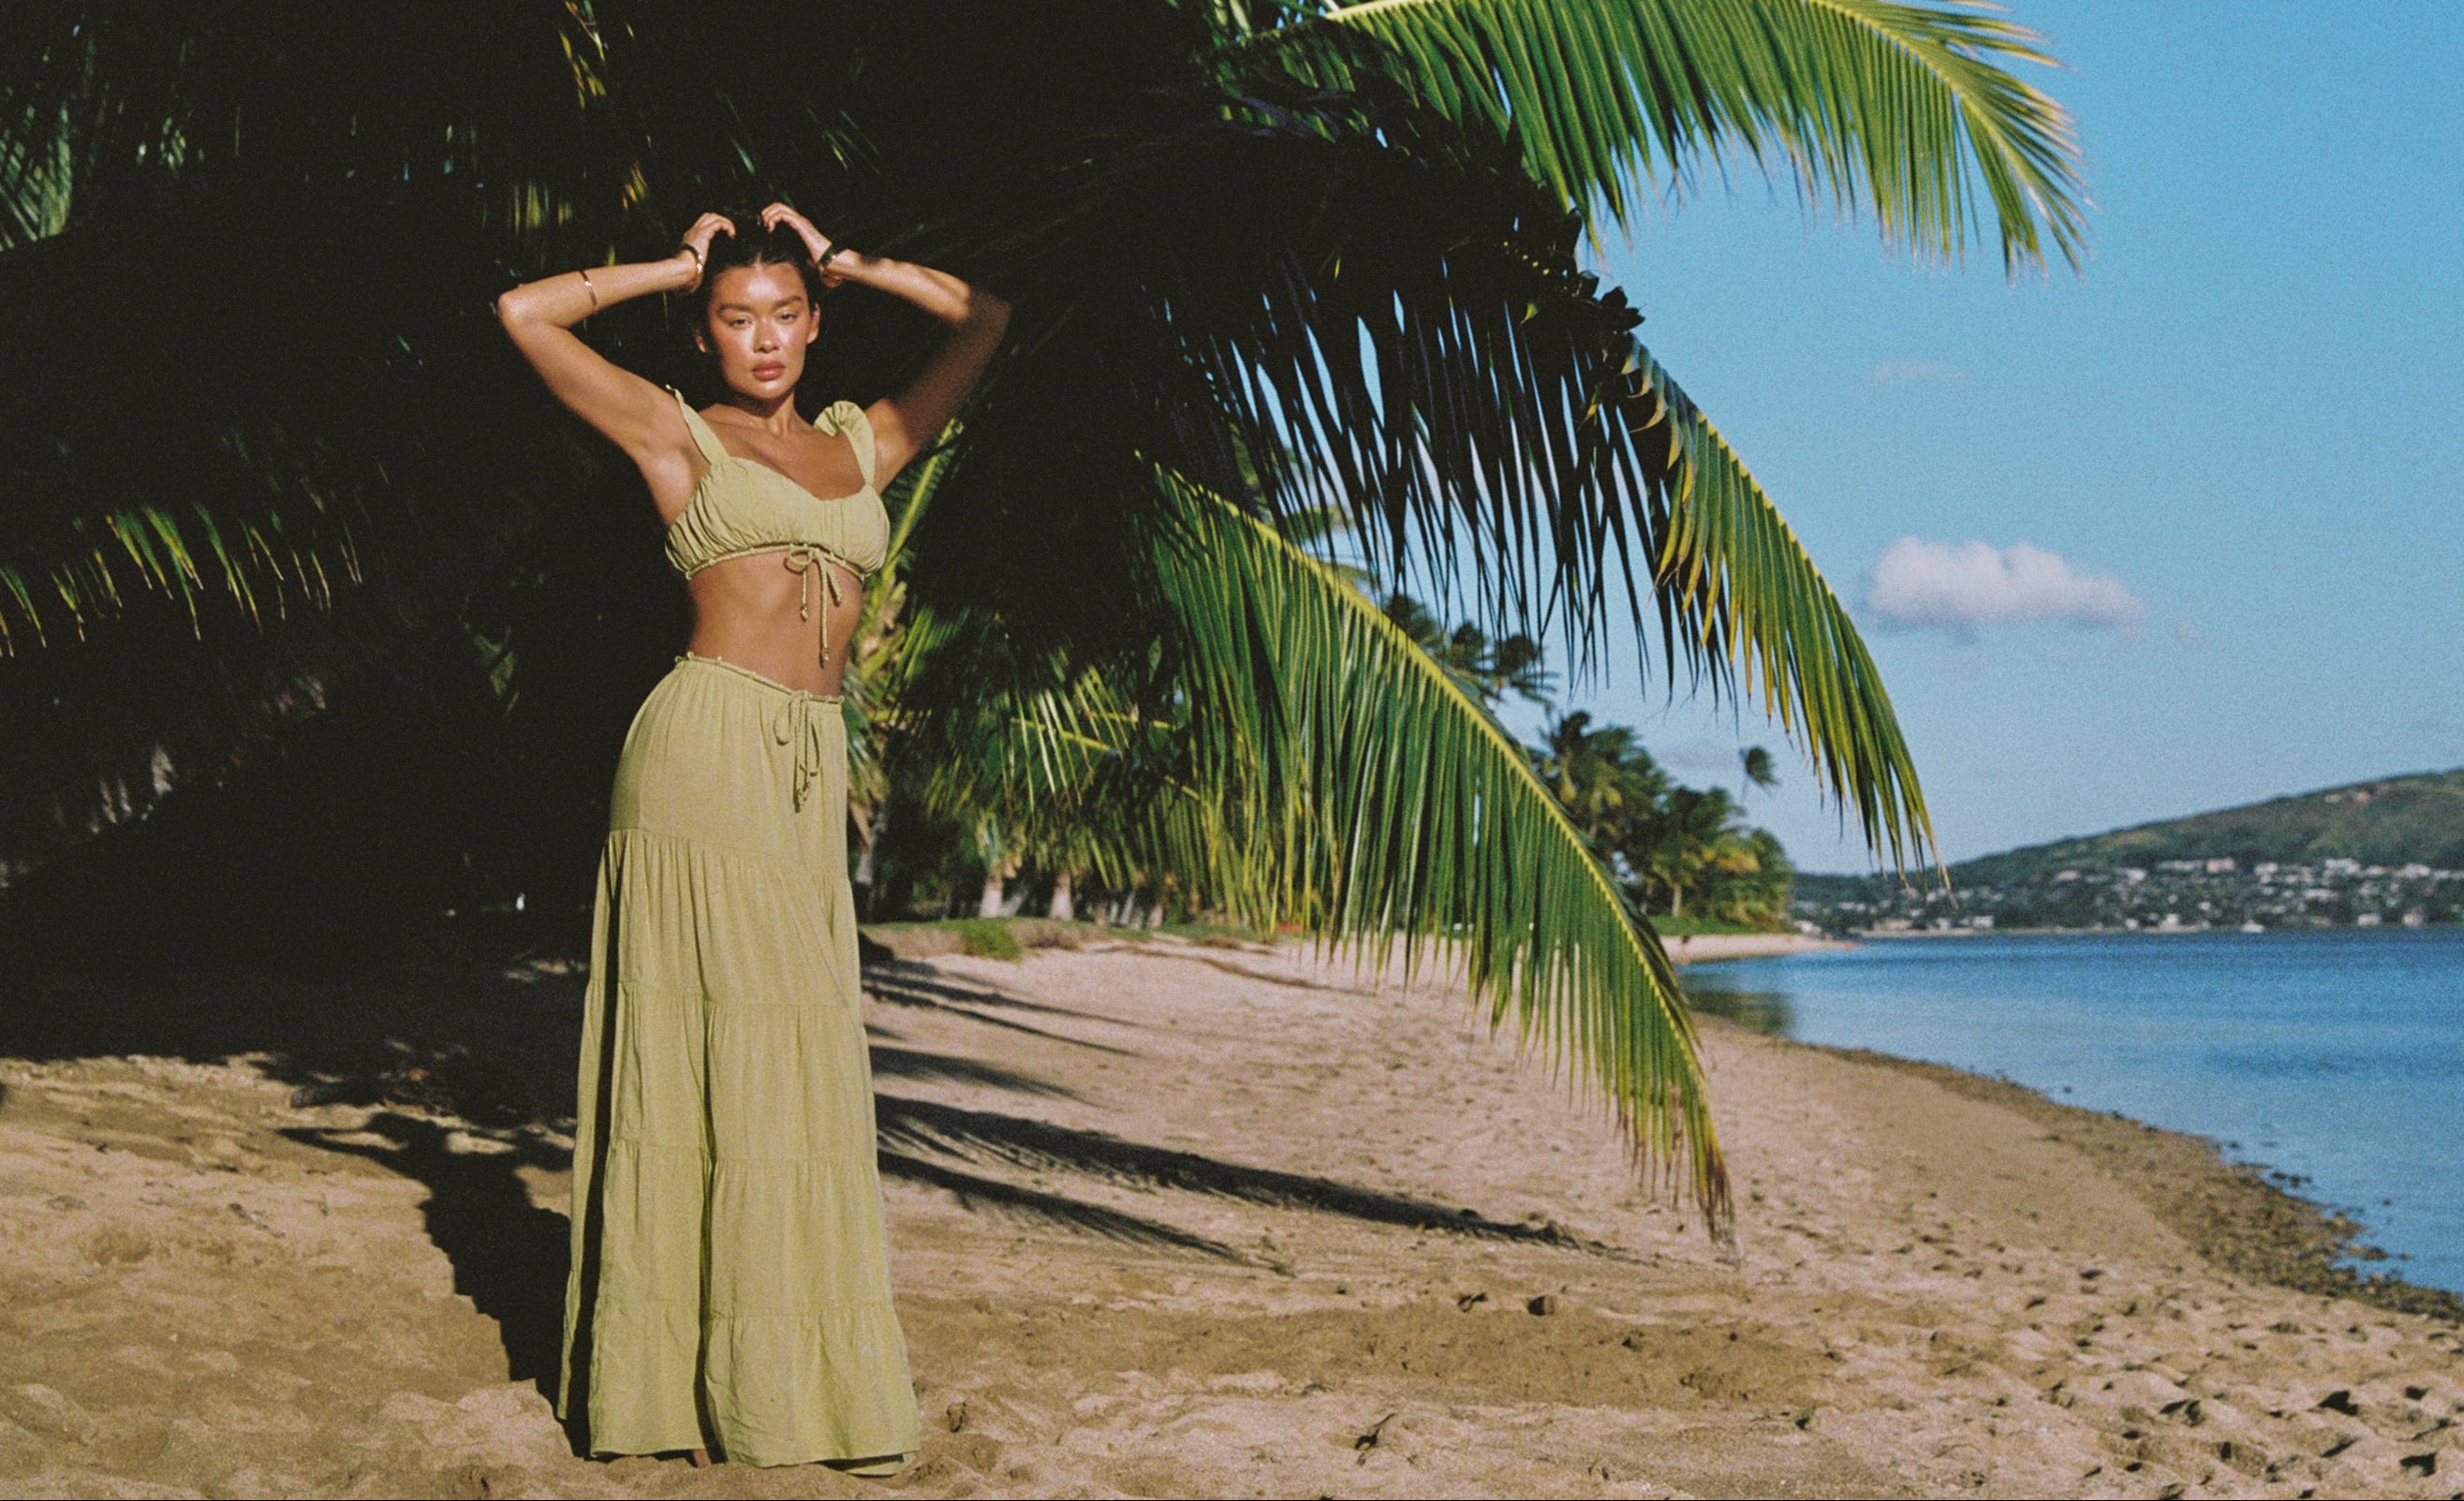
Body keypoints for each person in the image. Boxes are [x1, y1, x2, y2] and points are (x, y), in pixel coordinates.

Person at [495, 202, 1009, 1471]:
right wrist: (672, 264)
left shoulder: (863, 444)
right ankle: (669, 1391)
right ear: (707, 331)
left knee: (799, 1072)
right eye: (736, 316)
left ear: (819, 325)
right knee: (701, 1057)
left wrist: (857, 259)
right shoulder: (677, 432)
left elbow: (984, 320)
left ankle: (782, 1384)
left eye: (786, 313)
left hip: (805, 775)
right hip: (702, 757)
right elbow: (524, 316)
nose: (763, 337)